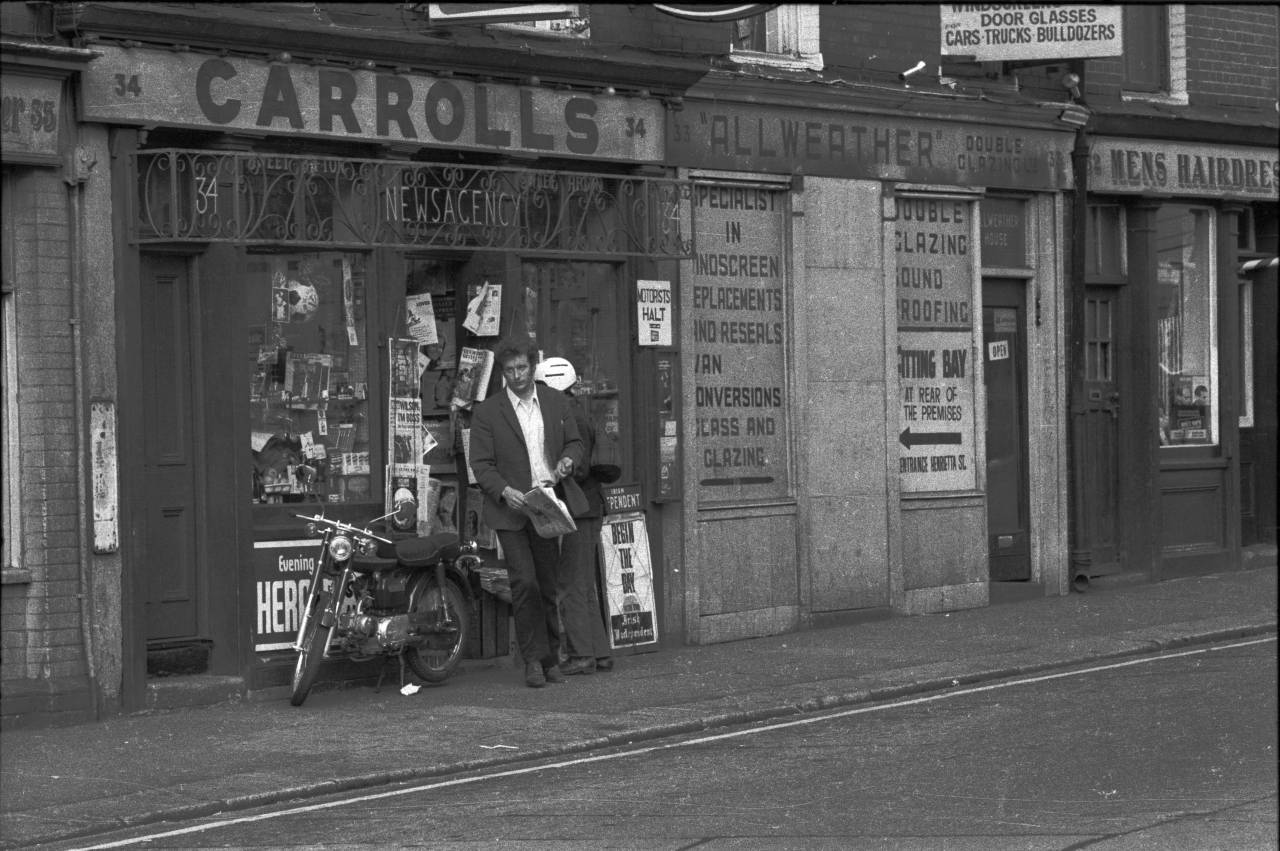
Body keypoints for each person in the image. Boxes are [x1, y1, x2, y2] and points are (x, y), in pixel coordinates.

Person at [469, 338, 585, 688]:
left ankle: (552, 659)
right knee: (525, 582)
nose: (517, 376)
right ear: (502, 373)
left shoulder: (554, 401)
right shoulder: (488, 412)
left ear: (533, 367)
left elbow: (575, 443)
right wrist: (504, 491)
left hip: (547, 503)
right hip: (512, 509)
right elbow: (480, 463)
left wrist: (568, 460)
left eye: (522, 368)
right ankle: (532, 660)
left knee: (548, 584)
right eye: (509, 371)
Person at [534, 357, 615, 675]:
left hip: (579, 510)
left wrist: (550, 475)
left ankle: (582, 654)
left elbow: (577, 469)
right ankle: (599, 652)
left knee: (570, 584)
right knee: (583, 584)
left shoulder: (569, 417)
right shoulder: (575, 411)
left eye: (539, 386)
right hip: (589, 508)